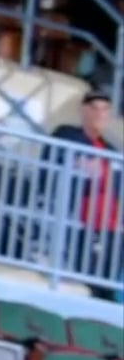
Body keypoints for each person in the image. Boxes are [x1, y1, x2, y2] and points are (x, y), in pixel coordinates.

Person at [48, 91, 121, 297]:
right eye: (95, 109)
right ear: (83, 110)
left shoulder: (112, 150)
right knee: (83, 271)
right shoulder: (68, 134)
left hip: (109, 225)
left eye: (105, 110)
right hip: (79, 219)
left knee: (108, 276)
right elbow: (54, 159)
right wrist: (77, 164)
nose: (100, 115)